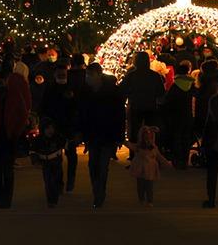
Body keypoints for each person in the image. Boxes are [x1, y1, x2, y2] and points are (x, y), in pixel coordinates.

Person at [0, 67, 30, 209]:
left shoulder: (13, 94)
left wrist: (17, 131)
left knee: (7, 169)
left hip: (9, 136)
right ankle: (1, 199)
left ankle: (6, 199)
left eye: (1, 81)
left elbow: (21, 113)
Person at [79, 64, 125, 209]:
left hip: (107, 134)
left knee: (103, 166)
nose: (88, 78)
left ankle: (99, 194)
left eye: (90, 75)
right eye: (87, 75)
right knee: (93, 165)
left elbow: (119, 114)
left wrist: (118, 137)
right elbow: (83, 114)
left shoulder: (112, 91)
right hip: (93, 135)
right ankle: (97, 191)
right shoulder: (86, 91)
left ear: (98, 75)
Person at [40, 64, 81, 189]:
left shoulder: (72, 88)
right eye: (59, 74)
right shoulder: (50, 88)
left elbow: (78, 107)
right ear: (55, 75)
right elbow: (44, 107)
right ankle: (59, 182)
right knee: (55, 157)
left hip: (69, 127)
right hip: (54, 127)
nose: (61, 76)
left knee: (71, 155)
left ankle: (70, 180)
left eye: (63, 74)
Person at [120, 51, 166, 143]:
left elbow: (123, 90)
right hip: (151, 106)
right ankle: (150, 149)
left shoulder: (131, 75)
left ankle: (134, 152)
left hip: (135, 106)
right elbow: (161, 92)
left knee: (135, 130)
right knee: (150, 131)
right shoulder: (155, 75)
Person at [127, 124, 172, 207]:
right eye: (146, 137)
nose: (148, 139)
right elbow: (130, 145)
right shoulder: (139, 147)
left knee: (149, 186)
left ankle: (149, 200)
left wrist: (166, 163)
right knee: (140, 186)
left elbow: (159, 157)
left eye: (150, 138)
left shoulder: (154, 148)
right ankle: (141, 199)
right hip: (140, 169)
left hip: (150, 170)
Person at [161, 61, 195, 168]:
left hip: (176, 115)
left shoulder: (175, 86)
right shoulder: (191, 85)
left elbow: (168, 100)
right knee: (186, 137)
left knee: (177, 136)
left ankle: (177, 159)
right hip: (188, 114)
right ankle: (185, 160)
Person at [29, 117, 66, 208]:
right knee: (48, 181)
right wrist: (35, 161)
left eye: (52, 128)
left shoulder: (57, 138)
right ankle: (51, 200)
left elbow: (66, 143)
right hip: (45, 163)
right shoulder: (38, 140)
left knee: (56, 179)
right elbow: (33, 151)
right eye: (47, 128)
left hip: (56, 162)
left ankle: (56, 194)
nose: (50, 131)